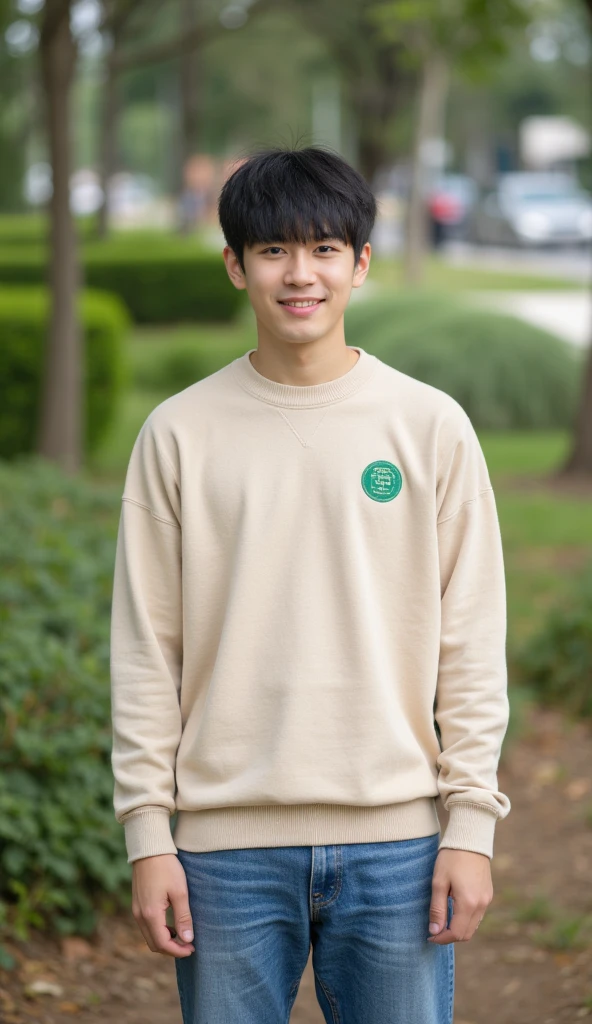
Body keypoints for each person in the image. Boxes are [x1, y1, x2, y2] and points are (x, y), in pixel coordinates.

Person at [109, 145, 511, 1024]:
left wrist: (470, 828)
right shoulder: (178, 435)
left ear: (360, 264)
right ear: (235, 265)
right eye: (274, 252)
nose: (302, 275)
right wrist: (149, 837)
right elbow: (147, 650)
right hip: (222, 855)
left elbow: (472, 642)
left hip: (399, 847)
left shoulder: (429, 426)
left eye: (326, 249)